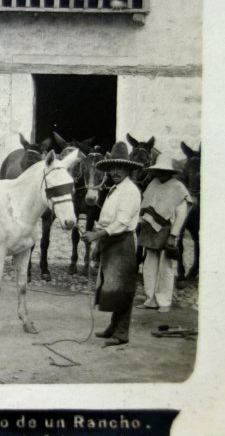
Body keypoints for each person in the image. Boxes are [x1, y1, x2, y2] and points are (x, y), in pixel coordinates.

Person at [82, 141, 143, 347]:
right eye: (113, 168)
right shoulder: (114, 189)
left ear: (128, 169)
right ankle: (112, 327)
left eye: (120, 168)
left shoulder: (130, 191)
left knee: (123, 288)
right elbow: (106, 219)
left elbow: (122, 222)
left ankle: (122, 333)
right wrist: (97, 241)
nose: (116, 172)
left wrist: (96, 236)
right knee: (112, 286)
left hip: (122, 242)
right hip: (110, 241)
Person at [136, 154, 193, 313]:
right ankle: (150, 299)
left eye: (164, 171)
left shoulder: (178, 188)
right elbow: (147, 204)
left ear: (171, 172)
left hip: (167, 230)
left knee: (166, 267)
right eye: (159, 170)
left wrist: (174, 235)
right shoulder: (153, 184)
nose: (161, 173)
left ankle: (164, 301)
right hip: (150, 229)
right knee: (149, 265)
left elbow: (181, 214)